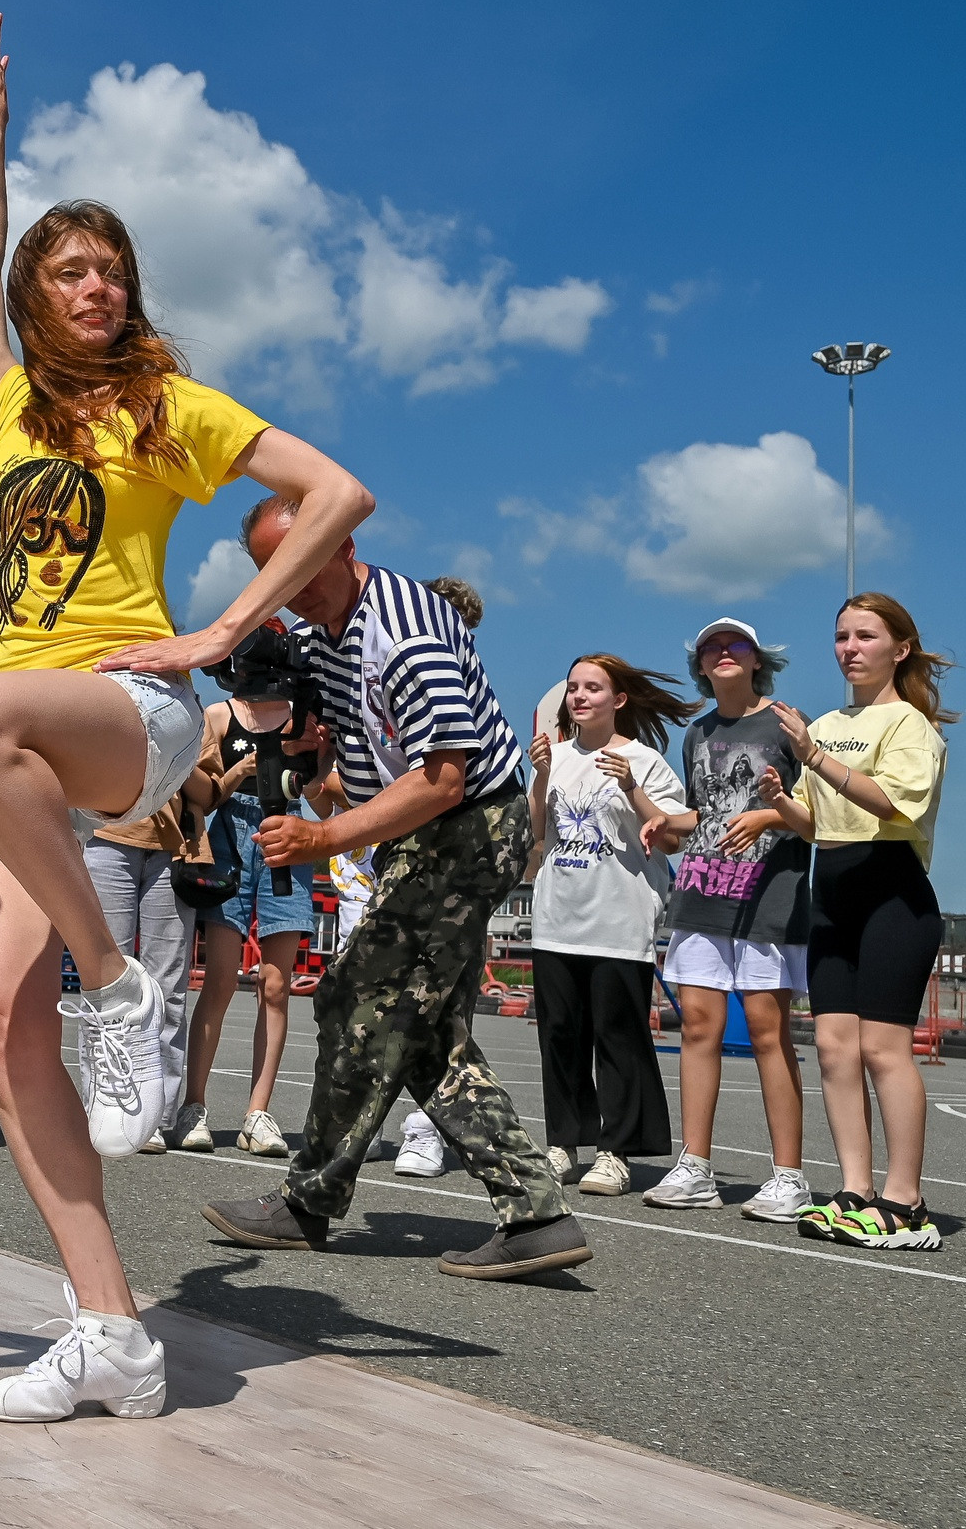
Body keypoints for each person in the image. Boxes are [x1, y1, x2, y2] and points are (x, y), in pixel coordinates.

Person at [0, 16, 373, 1425]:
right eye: (71, 268)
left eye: (114, 268)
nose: (99, 284)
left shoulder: (163, 407)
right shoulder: (3, 408)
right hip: (19, 757)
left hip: (132, 713)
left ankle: (124, 983)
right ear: (33, 293)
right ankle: (111, 1326)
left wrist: (226, 631)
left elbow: (338, 493)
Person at [201, 496, 591, 1283]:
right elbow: (351, 757)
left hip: (469, 823)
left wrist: (324, 837)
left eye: (307, 565)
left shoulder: (404, 633)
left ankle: (310, 1199)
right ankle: (536, 1212)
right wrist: (313, 745)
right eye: (277, 572)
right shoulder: (316, 633)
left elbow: (444, 777)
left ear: (343, 544)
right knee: (423, 1029)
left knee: (355, 995)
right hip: (421, 830)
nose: (295, 586)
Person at [758, 592, 953, 1253]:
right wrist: (782, 804)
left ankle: (907, 1201)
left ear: (900, 648)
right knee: (836, 1048)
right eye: (841, 636)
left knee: (882, 1049)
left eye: (865, 636)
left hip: (892, 891)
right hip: (833, 890)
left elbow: (891, 802)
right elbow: (821, 825)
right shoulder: (834, 722)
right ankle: (855, 1191)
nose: (849, 648)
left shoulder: (910, 725)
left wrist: (813, 758)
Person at [639, 619, 815, 1221]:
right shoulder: (698, 733)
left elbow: (819, 815)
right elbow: (703, 813)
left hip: (769, 895)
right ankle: (695, 1166)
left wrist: (769, 817)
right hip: (703, 891)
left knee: (768, 1031)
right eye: (711, 647)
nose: (722, 653)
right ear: (702, 666)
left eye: (734, 644)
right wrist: (664, 823)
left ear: (757, 659)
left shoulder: (788, 724)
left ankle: (789, 1176)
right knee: (697, 1027)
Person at [525, 655, 691, 1198]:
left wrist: (629, 787)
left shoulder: (643, 761)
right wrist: (542, 776)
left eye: (592, 688)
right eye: (573, 687)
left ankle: (615, 1152)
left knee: (616, 1037)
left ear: (618, 700)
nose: (579, 696)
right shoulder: (555, 757)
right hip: (557, 917)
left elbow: (671, 837)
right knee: (559, 1035)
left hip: (618, 921)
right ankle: (562, 1142)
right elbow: (536, 835)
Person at [173, 677, 325, 1158]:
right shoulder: (221, 714)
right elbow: (201, 791)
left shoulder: (308, 715)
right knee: (218, 980)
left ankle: (257, 1112)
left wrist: (322, 755)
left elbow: (323, 795)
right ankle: (193, 1105)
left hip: (289, 833)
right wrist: (241, 769)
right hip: (230, 835)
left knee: (277, 986)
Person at [84, 799, 197, 1154]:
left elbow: (210, 793)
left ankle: (156, 1119)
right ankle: (99, 1106)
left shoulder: (207, 737)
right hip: (105, 832)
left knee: (170, 991)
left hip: (175, 848)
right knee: (104, 985)